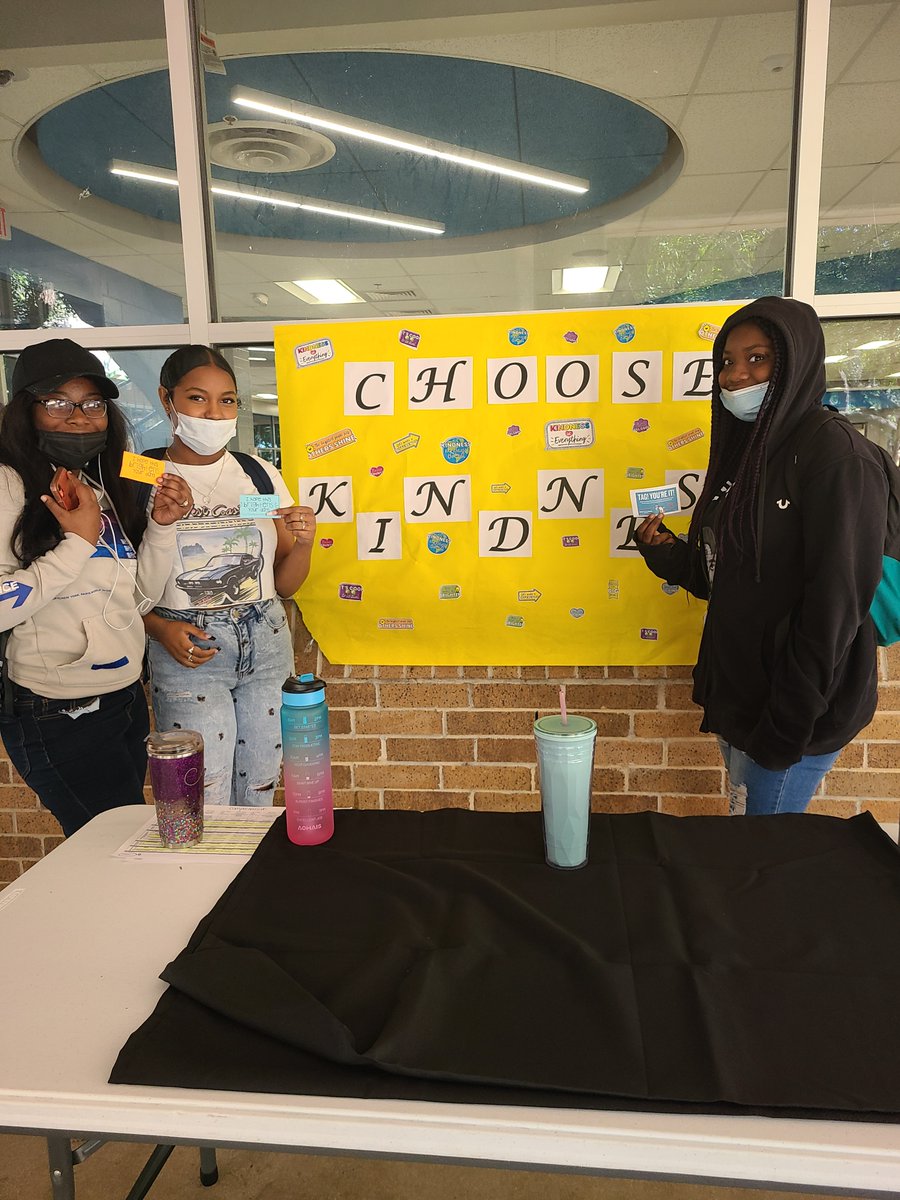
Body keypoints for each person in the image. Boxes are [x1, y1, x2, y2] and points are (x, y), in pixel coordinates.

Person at [635, 296, 888, 815]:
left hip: (792, 713)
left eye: (758, 358)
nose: (735, 375)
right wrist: (667, 553)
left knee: (760, 854)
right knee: (747, 837)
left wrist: (786, 725)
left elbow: (835, 606)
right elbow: (723, 577)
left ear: (795, 360)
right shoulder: (746, 453)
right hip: (744, 699)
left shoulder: (835, 455)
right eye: (727, 361)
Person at [0, 338, 193, 836]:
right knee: (109, 847)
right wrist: (77, 543)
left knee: (122, 838)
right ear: (24, 409)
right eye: (59, 403)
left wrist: (165, 527)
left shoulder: (98, 482)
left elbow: (136, 599)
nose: (80, 417)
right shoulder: (6, 486)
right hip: (57, 708)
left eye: (92, 404)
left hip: (123, 697)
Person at [143, 346, 316, 806]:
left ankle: (248, 876)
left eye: (228, 400)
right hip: (189, 647)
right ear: (168, 399)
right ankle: (204, 879)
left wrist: (304, 542)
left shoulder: (258, 475)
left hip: (267, 641)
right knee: (201, 790)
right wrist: (158, 627)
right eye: (198, 398)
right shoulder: (140, 474)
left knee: (260, 782)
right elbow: (124, 588)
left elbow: (284, 584)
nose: (215, 413)